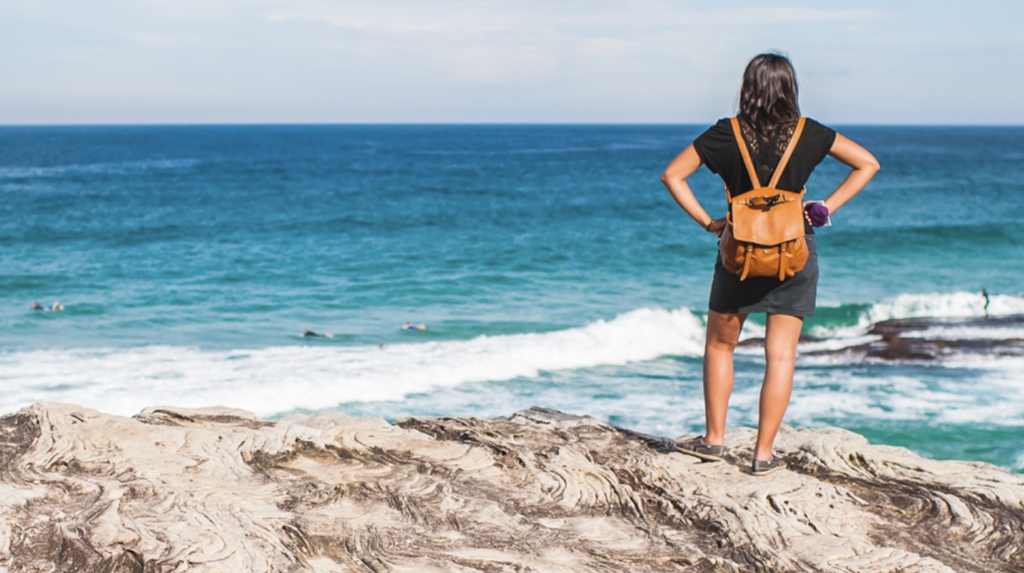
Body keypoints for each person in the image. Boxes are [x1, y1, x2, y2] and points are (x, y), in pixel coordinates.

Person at [660, 53, 879, 475]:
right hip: (794, 251)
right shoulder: (809, 133)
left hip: (738, 253)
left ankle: (715, 441)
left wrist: (710, 223)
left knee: (720, 346)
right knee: (780, 357)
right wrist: (823, 208)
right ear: (790, 88)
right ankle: (763, 455)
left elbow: (672, 175)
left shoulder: (726, 134)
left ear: (748, 87)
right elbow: (868, 163)